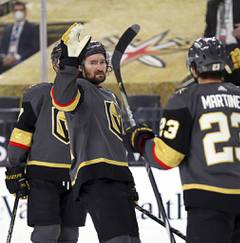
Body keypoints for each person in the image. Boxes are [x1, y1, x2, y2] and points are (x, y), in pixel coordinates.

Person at [126, 37, 240, 243]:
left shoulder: (185, 99)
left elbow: (167, 157)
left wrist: (140, 141)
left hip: (209, 197)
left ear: (194, 67)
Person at [51, 23, 140, 243]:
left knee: (132, 240)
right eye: (93, 63)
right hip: (95, 176)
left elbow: (116, 141)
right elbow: (62, 98)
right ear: (81, 67)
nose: (99, 67)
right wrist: (69, 63)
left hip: (119, 176)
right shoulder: (79, 88)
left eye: (102, 62)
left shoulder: (110, 95)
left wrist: (129, 181)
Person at [5, 43, 87, 243]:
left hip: (77, 175)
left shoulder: (89, 94)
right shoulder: (39, 93)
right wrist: (15, 167)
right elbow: (23, 131)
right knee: (47, 232)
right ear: (55, 65)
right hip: (43, 175)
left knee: (70, 235)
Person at [0, 1, 39, 74]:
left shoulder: (32, 28)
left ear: (25, 12)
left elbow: (34, 48)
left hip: (22, 60)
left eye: (21, 10)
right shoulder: (7, 29)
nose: (18, 12)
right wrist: (4, 57)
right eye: (16, 10)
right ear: (13, 12)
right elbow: (2, 47)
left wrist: (17, 57)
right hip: (5, 60)